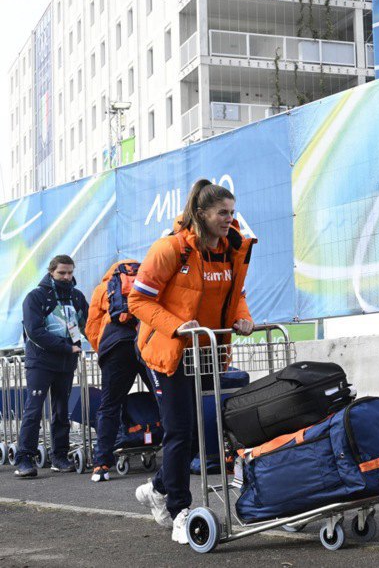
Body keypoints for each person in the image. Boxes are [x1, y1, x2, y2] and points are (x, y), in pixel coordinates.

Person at [128, 179, 255, 545]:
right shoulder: (170, 249)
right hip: (167, 350)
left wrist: (242, 317)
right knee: (180, 430)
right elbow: (138, 301)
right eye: (222, 213)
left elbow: (236, 294)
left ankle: (157, 488)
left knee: (197, 431)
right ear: (201, 214)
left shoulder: (232, 249)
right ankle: (179, 511)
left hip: (206, 351)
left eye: (232, 212)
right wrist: (177, 326)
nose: (229, 219)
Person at [13, 254, 88, 478]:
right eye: (61, 273)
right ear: (51, 272)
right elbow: (34, 332)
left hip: (66, 363)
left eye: (70, 273)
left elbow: (87, 324)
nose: (66, 277)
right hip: (41, 363)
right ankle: (24, 459)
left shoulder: (77, 296)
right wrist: (67, 347)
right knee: (34, 410)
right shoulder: (35, 297)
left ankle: (60, 457)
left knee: (61, 411)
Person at [84, 259, 153, 482]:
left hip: (116, 348)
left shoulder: (103, 289)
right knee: (167, 399)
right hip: (146, 343)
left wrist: (103, 351)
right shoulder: (148, 281)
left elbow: (92, 327)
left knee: (110, 405)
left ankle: (101, 464)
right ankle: (186, 454)